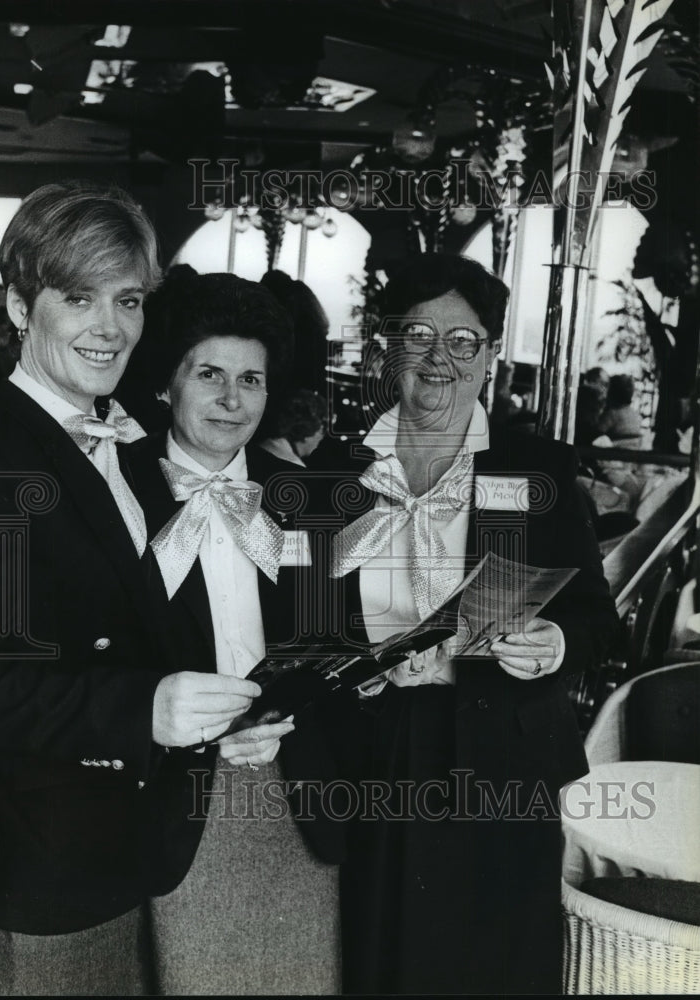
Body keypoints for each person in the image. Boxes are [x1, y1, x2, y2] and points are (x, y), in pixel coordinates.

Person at [0, 182, 261, 995]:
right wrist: (144, 713)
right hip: (37, 883)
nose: (109, 328)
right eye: (79, 297)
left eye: (128, 299)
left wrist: (212, 720)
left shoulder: (126, 447)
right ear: (21, 307)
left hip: (118, 854)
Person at [328, 253, 619, 995]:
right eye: (418, 335)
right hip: (378, 748)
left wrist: (556, 645)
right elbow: (306, 620)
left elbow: (597, 619)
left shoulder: (537, 467)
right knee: (383, 950)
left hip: (506, 751)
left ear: (491, 356)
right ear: (387, 348)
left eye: (464, 342)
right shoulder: (338, 472)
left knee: (496, 961)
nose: (439, 358)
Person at [123, 271, 344, 996]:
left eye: (250, 379)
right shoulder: (114, 495)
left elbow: (332, 648)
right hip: (167, 806)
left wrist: (292, 711)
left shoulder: (304, 502)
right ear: (166, 384)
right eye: (209, 373)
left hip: (297, 799)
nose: (231, 398)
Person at [258, 387, 328, 466]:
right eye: (322, 429)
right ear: (310, 427)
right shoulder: (295, 466)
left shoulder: (263, 445)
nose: (321, 437)